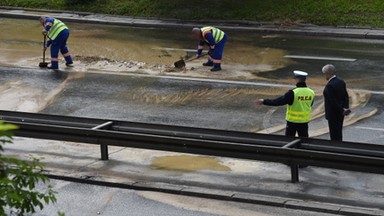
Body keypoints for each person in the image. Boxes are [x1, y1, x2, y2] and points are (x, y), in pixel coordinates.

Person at [256, 71, 315, 138]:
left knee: (288, 140)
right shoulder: (311, 92)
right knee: (304, 140)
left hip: (292, 121)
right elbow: (310, 104)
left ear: (297, 79)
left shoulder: (293, 93)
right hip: (304, 121)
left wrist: (264, 101)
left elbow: (278, 102)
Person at [321, 64, 351, 141]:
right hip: (341, 113)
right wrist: (345, 108)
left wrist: (341, 110)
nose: (324, 76)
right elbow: (345, 96)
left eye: (325, 74)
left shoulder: (330, 85)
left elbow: (332, 102)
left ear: (329, 73)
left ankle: (336, 149)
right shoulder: (341, 81)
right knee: (339, 132)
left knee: (334, 135)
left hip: (333, 114)